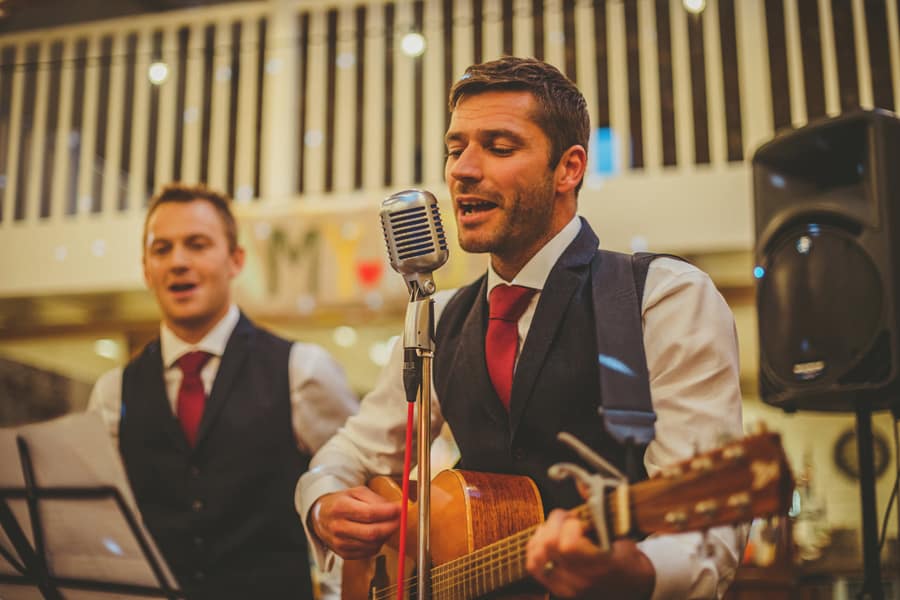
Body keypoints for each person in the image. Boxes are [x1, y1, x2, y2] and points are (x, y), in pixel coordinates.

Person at [296, 57, 744, 599]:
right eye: (455, 148)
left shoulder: (662, 297)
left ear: (569, 169)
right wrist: (323, 504)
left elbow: (710, 529)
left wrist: (637, 571)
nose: (462, 169)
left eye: (499, 147)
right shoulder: (438, 321)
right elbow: (350, 453)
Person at [88, 182, 359, 599]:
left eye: (197, 245)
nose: (178, 261)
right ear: (146, 268)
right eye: (162, 249)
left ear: (236, 261)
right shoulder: (112, 394)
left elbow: (353, 500)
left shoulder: (302, 371)